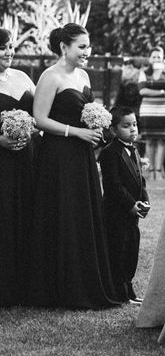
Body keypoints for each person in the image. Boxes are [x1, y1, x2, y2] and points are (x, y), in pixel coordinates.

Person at [28, 23, 123, 308]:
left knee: (83, 215)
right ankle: (59, 288)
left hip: (82, 156)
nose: (87, 51)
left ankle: (85, 282)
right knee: (63, 214)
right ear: (63, 47)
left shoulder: (83, 75)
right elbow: (39, 119)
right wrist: (75, 132)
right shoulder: (50, 77)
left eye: (88, 45)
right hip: (57, 157)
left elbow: (86, 113)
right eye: (81, 46)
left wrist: (97, 128)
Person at [98, 106, 150, 304]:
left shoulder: (134, 150)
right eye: (126, 126)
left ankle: (129, 290)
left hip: (133, 215)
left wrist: (144, 201)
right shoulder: (110, 152)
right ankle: (118, 291)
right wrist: (130, 204)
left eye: (135, 124)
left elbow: (140, 180)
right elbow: (113, 185)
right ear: (113, 130)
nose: (133, 129)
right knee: (118, 251)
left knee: (131, 250)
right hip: (116, 213)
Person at [0, 28, 36, 306]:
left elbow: (41, 111)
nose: (9, 52)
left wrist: (32, 130)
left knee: (25, 211)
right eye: (2, 48)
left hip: (26, 157)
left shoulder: (23, 77)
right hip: (2, 159)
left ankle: (24, 285)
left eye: (10, 47)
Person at [138, 47, 165, 179]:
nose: (156, 59)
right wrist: (160, 93)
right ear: (149, 59)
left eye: (159, 57)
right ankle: (151, 170)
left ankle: (158, 170)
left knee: (162, 140)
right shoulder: (144, 72)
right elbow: (142, 91)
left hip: (164, 109)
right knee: (150, 140)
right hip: (148, 109)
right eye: (154, 57)